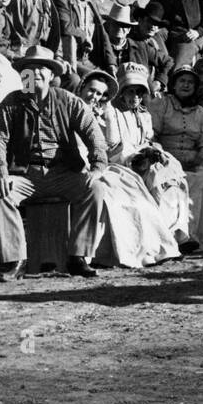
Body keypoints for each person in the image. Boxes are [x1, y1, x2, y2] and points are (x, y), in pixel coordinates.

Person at [0, 44, 105, 279]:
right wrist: (1, 172)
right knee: (2, 192)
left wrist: (97, 167)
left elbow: (94, 135)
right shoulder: (12, 102)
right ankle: (15, 260)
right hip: (26, 175)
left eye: (42, 69)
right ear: (22, 75)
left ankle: (77, 256)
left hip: (61, 174)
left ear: (51, 75)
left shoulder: (67, 101)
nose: (35, 73)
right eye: (29, 69)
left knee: (95, 188)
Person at [77, 68, 180, 268]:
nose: (94, 97)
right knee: (113, 202)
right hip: (79, 166)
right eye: (91, 91)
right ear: (81, 88)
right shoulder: (70, 108)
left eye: (100, 94)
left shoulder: (102, 114)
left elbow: (108, 149)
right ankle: (110, 252)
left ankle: (150, 249)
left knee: (138, 201)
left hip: (104, 166)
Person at [110, 62, 192, 244]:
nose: (135, 97)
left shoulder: (144, 115)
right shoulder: (112, 112)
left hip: (143, 158)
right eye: (130, 91)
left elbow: (148, 139)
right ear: (122, 91)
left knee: (171, 174)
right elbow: (114, 146)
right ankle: (163, 237)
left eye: (139, 92)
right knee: (155, 175)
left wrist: (155, 151)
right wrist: (139, 155)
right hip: (121, 162)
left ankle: (177, 231)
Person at [149, 65, 203, 252]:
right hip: (166, 159)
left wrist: (196, 160)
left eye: (191, 82)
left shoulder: (201, 112)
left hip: (193, 161)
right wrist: (166, 158)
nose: (186, 85)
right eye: (182, 81)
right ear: (174, 85)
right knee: (174, 182)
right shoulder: (162, 104)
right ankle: (177, 237)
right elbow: (153, 136)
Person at [54, 0, 113, 80]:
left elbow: (103, 35)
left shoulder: (92, 4)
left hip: (87, 59)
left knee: (110, 81)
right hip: (67, 56)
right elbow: (65, 27)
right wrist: (84, 36)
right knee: (96, 80)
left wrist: (111, 63)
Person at [125, 2, 173, 95]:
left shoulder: (154, 43)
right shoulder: (127, 37)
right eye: (149, 21)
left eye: (156, 24)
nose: (152, 26)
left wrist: (159, 81)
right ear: (140, 19)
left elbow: (168, 61)